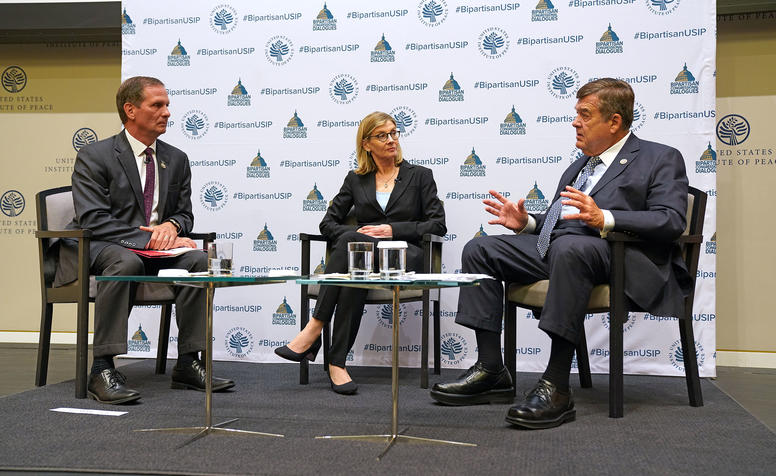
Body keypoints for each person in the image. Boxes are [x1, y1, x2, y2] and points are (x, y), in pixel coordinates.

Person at [430, 78, 691, 429]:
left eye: (584, 114)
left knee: (571, 249)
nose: (575, 122)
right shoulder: (580, 164)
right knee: (481, 249)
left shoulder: (660, 157)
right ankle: (492, 369)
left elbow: (671, 219)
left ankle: (556, 385)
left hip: (620, 256)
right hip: (564, 247)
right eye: (576, 113)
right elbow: (564, 222)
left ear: (614, 122)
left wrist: (606, 218)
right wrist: (527, 223)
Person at [54, 76, 234, 404]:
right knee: (126, 259)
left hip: (154, 252)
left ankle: (189, 362)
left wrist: (170, 226)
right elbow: (94, 219)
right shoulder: (95, 156)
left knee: (197, 260)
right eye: (157, 105)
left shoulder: (176, 158)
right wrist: (147, 240)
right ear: (131, 110)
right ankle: (102, 368)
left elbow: (185, 215)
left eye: (167, 105)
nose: (166, 112)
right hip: (103, 246)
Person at [275, 111, 446, 394]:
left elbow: (437, 224)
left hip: (406, 257)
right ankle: (337, 364)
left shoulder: (420, 176)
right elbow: (327, 224)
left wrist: (391, 230)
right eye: (382, 135)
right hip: (364, 262)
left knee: (354, 250)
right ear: (367, 144)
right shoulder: (356, 180)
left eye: (394, 133)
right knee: (355, 268)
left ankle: (314, 329)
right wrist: (360, 234)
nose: (391, 140)